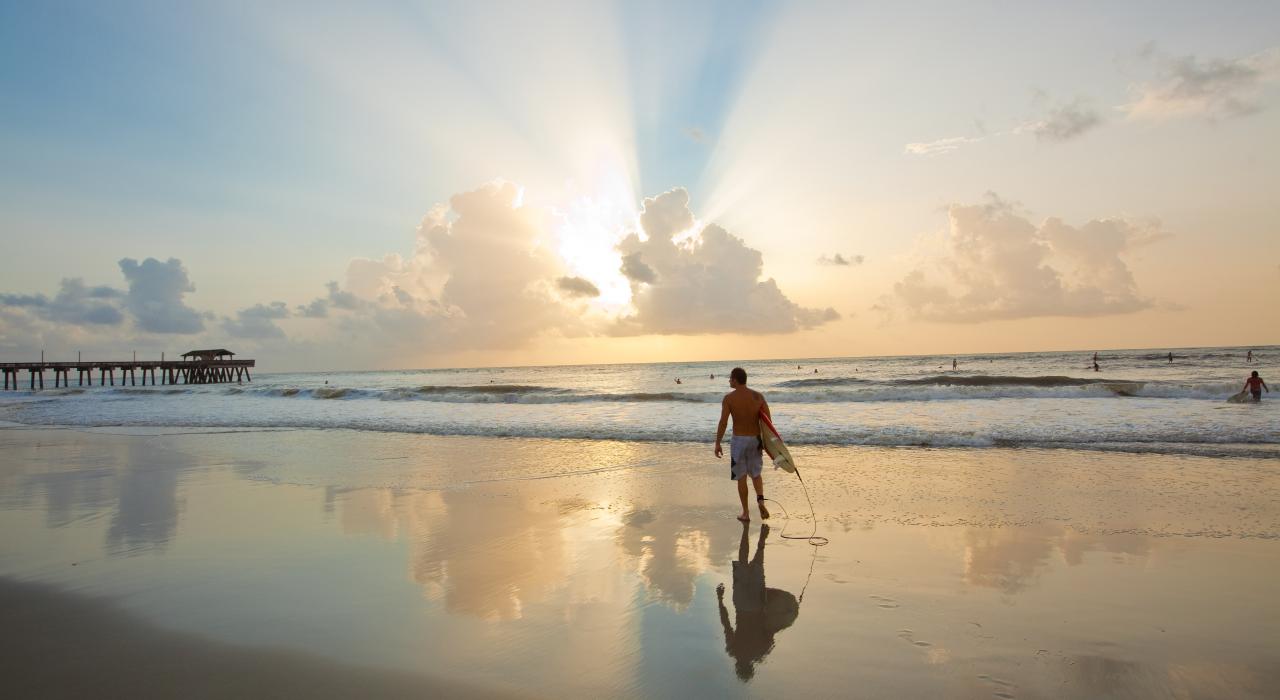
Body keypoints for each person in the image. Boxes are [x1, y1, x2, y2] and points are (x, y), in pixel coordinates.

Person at [716, 523, 798, 681]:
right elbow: (725, 623)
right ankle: (746, 531)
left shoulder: (761, 651)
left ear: (751, 667)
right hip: (740, 604)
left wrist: (779, 607)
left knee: (758, 565)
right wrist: (720, 599)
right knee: (743, 561)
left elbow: (772, 627)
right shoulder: (734, 650)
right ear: (738, 667)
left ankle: (761, 540)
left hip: (756, 606)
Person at [715, 367, 771, 522]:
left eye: (730, 378)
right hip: (755, 439)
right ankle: (760, 500)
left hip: (738, 441)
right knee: (756, 474)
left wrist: (718, 442)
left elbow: (723, 422)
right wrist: (767, 444)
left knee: (741, 477)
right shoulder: (758, 397)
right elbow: (768, 424)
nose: (729, 381)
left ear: (735, 380)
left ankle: (746, 513)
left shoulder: (729, 399)